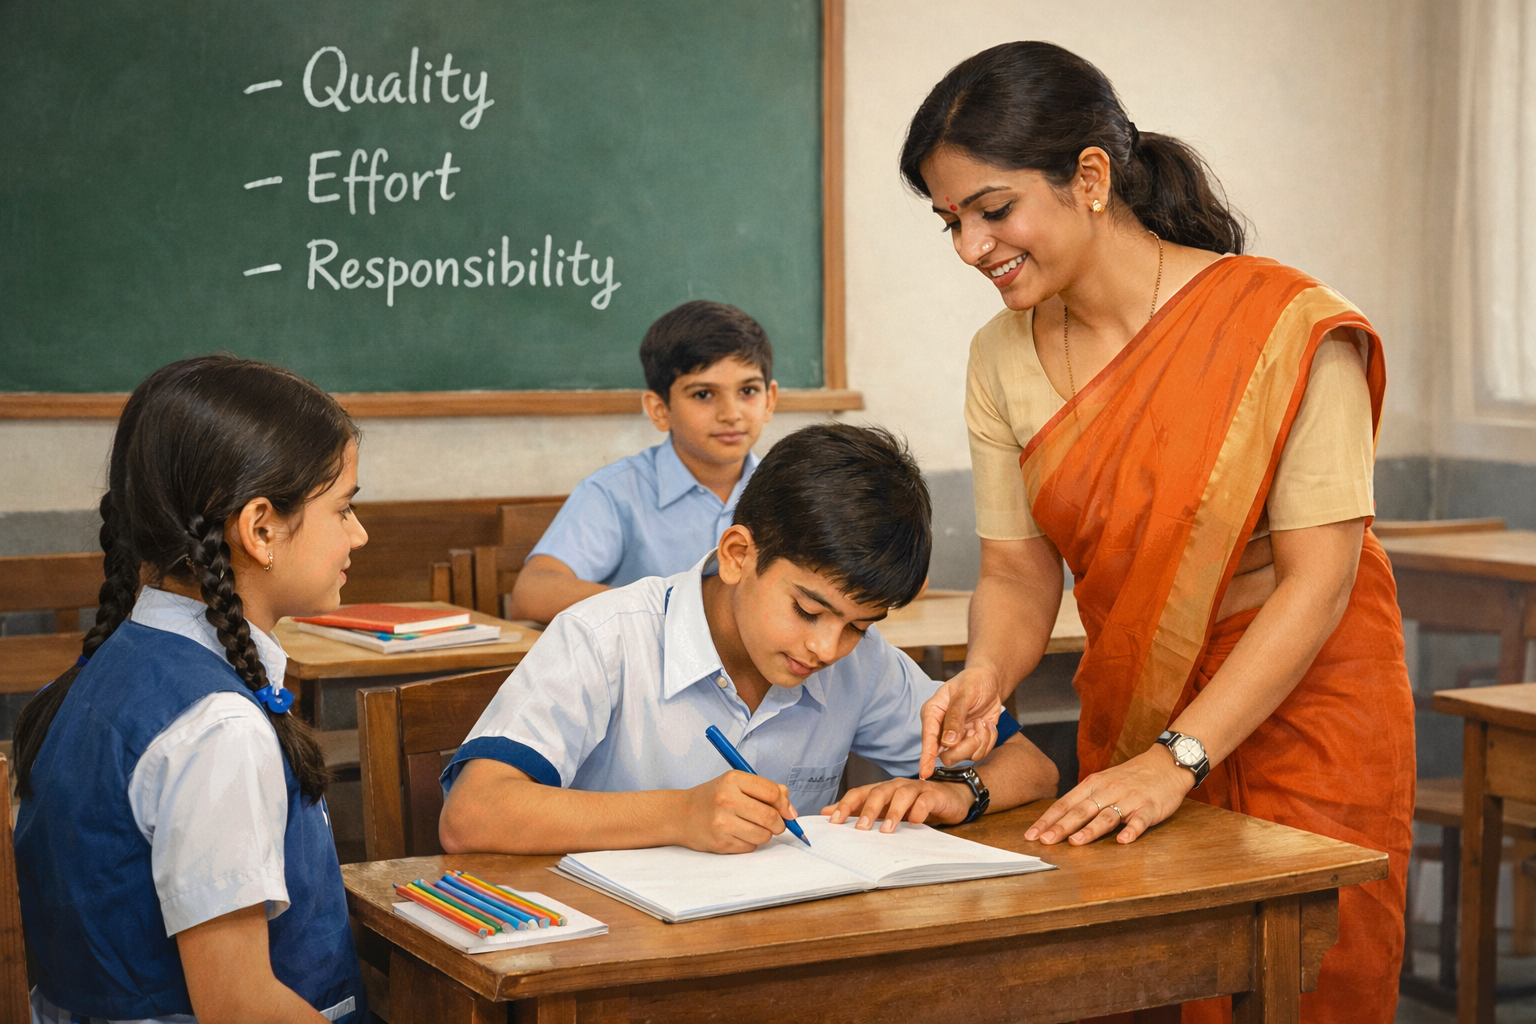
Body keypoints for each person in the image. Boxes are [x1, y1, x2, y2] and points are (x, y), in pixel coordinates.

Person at [899, 42, 1414, 1024]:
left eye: (992, 209)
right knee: (1153, 979)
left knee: (1312, 984)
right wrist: (986, 677)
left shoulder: (1286, 328)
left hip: (1312, 717)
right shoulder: (998, 355)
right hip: (1140, 707)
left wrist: (1178, 758)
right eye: (950, 221)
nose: (971, 246)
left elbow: (1319, 580)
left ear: (1090, 177)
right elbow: (1016, 571)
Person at [440, 424, 1058, 855]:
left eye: (858, 625)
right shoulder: (605, 638)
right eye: (808, 610)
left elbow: (1031, 769)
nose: (826, 649)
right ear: (738, 555)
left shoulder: (859, 664)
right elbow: (472, 815)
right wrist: (678, 815)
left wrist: (955, 794)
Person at [13, 355, 369, 1024]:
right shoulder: (217, 728)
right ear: (261, 528)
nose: (359, 534)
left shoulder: (108, 669)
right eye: (344, 509)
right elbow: (239, 1005)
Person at [510, 300, 777, 623]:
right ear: (659, 410)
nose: (731, 414)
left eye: (748, 390)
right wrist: (672, 609)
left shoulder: (790, 490)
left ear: (769, 400)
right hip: (648, 671)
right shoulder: (617, 492)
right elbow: (531, 594)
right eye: (703, 394)